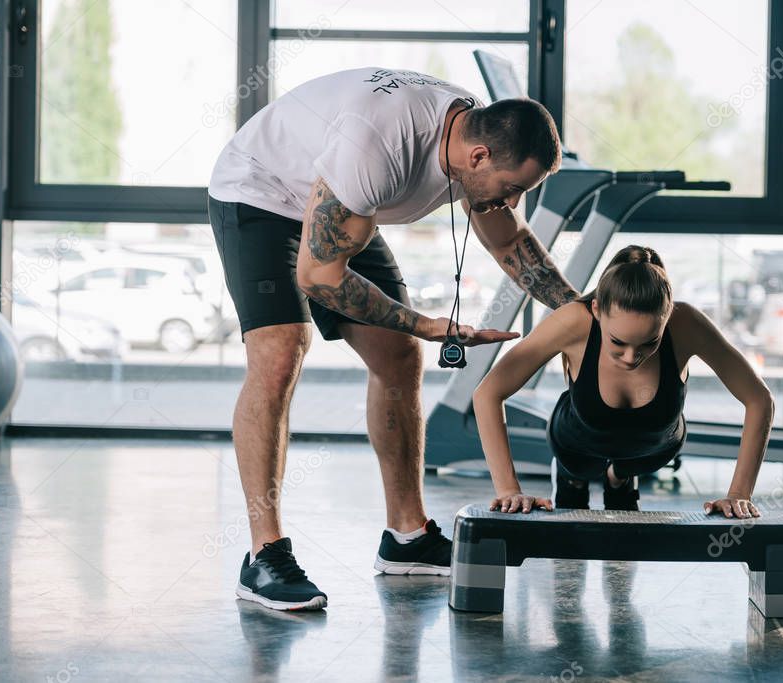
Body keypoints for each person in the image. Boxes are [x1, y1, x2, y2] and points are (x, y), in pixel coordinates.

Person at [207, 67, 580, 611]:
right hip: (261, 194)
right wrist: (427, 324)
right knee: (281, 352)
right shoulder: (378, 148)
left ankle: (407, 538)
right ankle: (264, 556)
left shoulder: (473, 134)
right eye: (514, 188)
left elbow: (508, 242)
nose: (514, 202)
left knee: (399, 356)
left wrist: (579, 314)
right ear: (478, 157)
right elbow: (320, 277)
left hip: (340, 200)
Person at [473, 245, 772, 517]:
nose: (631, 357)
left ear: (667, 318)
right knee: (574, 492)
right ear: (597, 310)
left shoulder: (687, 325)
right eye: (618, 342)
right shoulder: (573, 322)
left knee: (625, 477)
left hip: (652, 450)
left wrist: (739, 493)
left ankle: (620, 477)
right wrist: (508, 490)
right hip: (576, 442)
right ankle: (574, 478)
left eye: (648, 343)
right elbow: (488, 393)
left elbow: (759, 400)